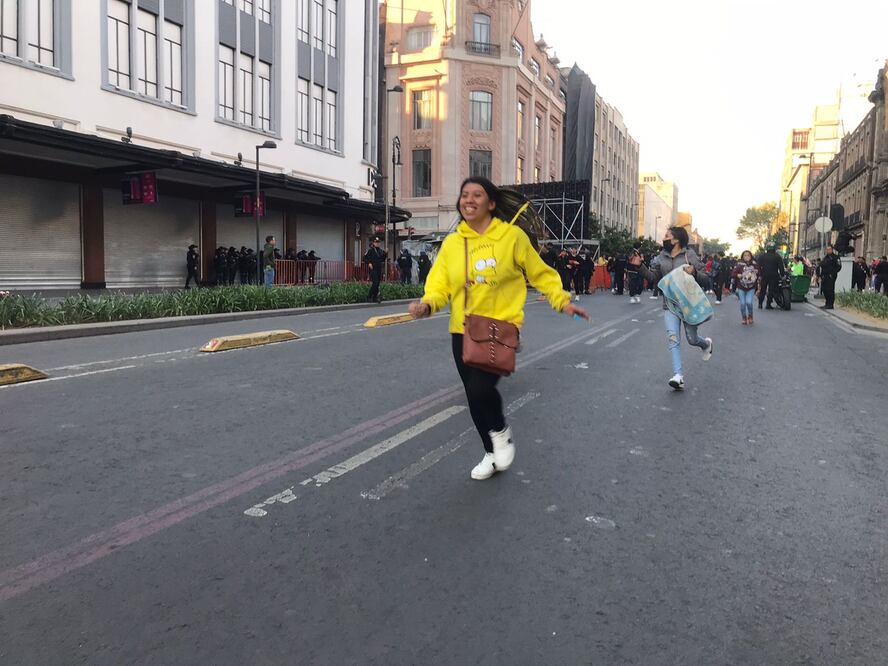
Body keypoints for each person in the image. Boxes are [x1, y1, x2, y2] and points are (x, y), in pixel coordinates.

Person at [408, 177, 588, 480]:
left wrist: (562, 301)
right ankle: (491, 453)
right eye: (464, 194)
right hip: (461, 329)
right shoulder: (453, 243)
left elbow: (540, 273)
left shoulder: (511, 237)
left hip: (500, 326)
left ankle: (501, 434)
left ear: (491, 203)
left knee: (481, 388)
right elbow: (439, 285)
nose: (469, 200)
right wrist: (427, 305)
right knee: (473, 396)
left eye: (477, 195)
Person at [631, 226, 713, 391]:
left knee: (691, 339)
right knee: (673, 339)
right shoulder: (661, 257)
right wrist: (639, 266)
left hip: (690, 305)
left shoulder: (690, 255)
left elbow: (707, 280)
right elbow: (654, 277)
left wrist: (695, 272)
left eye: (667, 236)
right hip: (670, 305)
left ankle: (705, 344)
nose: (664, 238)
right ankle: (678, 376)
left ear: (676, 240)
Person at [731, 250, 760, 325]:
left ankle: (750, 315)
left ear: (751, 256)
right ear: (742, 257)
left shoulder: (755, 264)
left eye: (748, 255)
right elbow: (733, 273)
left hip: (751, 287)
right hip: (741, 287)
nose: (747, 257)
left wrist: (757, 273)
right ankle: (744, 317)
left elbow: (759, 273)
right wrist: (738, 275)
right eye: (745, 255)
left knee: (749, 302)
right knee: (743, 303)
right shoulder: (739, 264)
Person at [756, 242, 785, 310]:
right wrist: (782, 275)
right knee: (771, 290)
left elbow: (758, 266)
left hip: (764, 275)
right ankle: (768, 304)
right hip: (774, 276)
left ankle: (760, 304)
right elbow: (781, 267)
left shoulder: (762, 256)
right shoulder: (777, 256)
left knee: (763, 289)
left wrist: (760, 274)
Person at [818, 245, 841, 309]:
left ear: (832, 249)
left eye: (829, 249)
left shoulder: (835, 257)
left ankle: (830, 304)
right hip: (824, 276)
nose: (828, 251)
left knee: (830, 290)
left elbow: (839, 267)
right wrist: (820, 276)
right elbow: (822, 267)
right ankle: (827, 303)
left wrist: (832, 274)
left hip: (831, 276)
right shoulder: (825, 257)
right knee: (824, 289)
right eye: (827, 249)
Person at [364, 238, 386, 302]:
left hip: (379, 269)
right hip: (373, 269)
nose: (377, 243)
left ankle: (375, 297)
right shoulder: (371, 250)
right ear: (374, 243)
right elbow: (365, 258)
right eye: (376, 242)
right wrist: (369, 263)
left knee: (378, 283)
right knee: (375, 283)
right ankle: (369, 296)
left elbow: (382, 259)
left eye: (378, 242)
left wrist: (385, 254)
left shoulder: (381, 251)